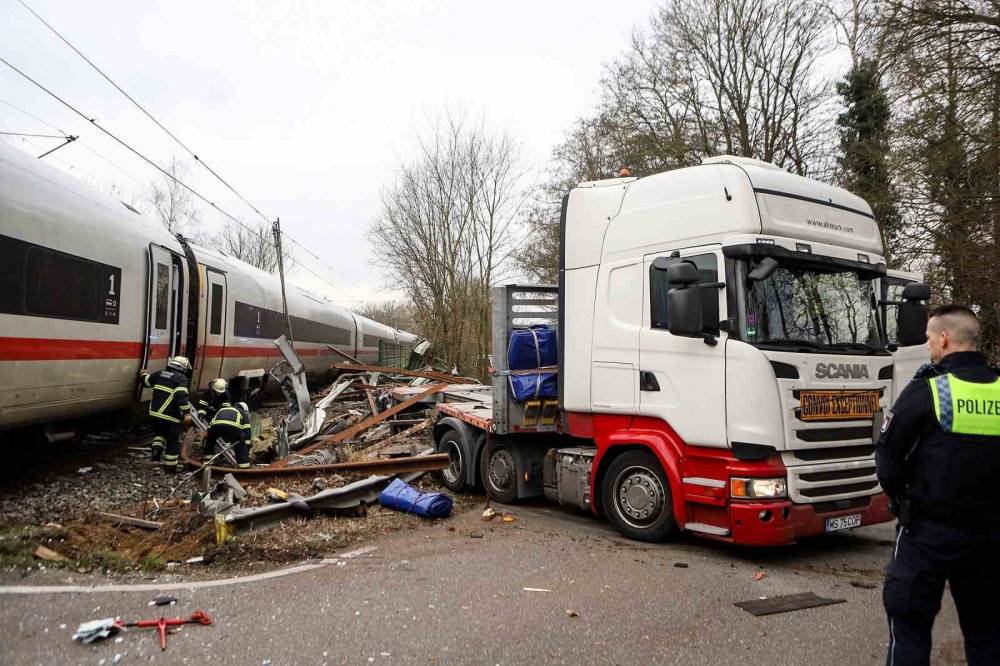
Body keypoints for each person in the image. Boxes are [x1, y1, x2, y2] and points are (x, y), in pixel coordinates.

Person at [875, 304, 1000, 665]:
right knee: (987, 636)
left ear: (944, 339)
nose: (929, 346)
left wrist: (904, 500)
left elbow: (887, 460)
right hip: (990, 541)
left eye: (930, 339)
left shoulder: (928, 391)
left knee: (910, 632)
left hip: (927, 534)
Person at [138, 356, 192, 471]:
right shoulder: (181, 378)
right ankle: (171, 466)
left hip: (154, 414)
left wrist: (142, 374)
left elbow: (146, 382)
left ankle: (156, 452)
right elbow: (180, 396)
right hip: (170, 417)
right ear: (183, 368)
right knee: (172, 440)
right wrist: (187, 412)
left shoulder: (159, 374)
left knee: (160, 433)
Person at [206, 400, 252, 469]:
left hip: (216, 427)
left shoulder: (222, 409)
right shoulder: (242, 412)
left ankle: (207, 461)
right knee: (240, 446)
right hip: (233, 428)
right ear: (245, 410)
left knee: (210, 442)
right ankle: (244, 466)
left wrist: (209, 433)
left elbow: (212, 422)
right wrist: (246, 446)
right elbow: (247, 431)